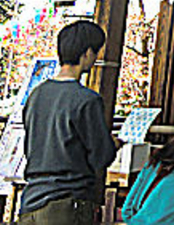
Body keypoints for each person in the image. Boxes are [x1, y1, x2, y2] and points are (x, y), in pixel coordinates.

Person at [19, 20, 118, 225]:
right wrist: (114, 144)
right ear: (87, 53)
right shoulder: (87, 100)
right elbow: (102, 156)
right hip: (66, 204)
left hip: (30, 200)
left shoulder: (37, 95)